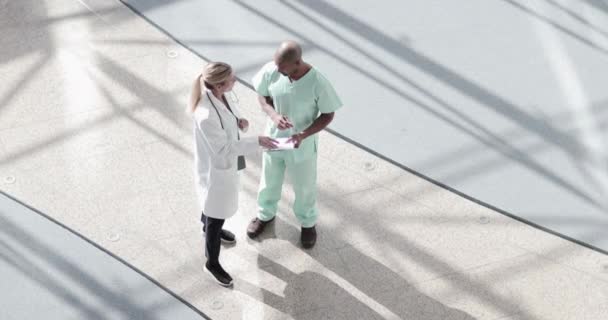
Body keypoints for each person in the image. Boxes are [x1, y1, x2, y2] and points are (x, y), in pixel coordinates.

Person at [247, 41, 343, 248]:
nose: (278, 71)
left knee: (304, 185)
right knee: (269, 179)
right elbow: (262, 96)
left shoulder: (318, 82)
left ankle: (308, 223)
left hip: (302, 144)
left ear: (297, 62)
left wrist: (304, 134)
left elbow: (328, 114)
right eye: (277, 66)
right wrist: (273, 115)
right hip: (274, 138)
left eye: (283, 68)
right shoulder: (273, 70)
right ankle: (265, 215)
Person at [189, 62, 277, 287]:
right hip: (216, 170)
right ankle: (212, 262)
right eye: (231, 79)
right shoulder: (206, 114)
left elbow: (229, 116)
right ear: (219, 85)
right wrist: (257, 141)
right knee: (216, 214)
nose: (236, 81)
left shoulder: (221, 96)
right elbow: (223, 148)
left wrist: (240, 122)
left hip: (225, 167)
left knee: (213, 208)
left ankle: (205, 225)